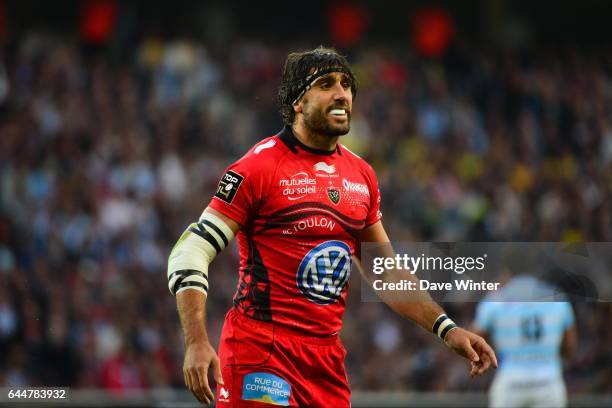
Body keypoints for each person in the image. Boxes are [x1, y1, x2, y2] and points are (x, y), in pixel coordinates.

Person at [167, 46, 497, 407]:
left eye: (346, 85)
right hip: (262, 352)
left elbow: (385, 273)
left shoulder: (361, 175)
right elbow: (190, 250)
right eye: (326, 84)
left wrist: (446, 329)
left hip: (325, 364)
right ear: (298, 101)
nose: (342, 93)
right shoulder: (258, 168)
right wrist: (197, 340)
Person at [472, 274, 577, 407]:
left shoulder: (496, 298)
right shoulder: (558, 298)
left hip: (511, 381)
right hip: (548, 381)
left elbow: (474, 341)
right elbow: (570, 346)